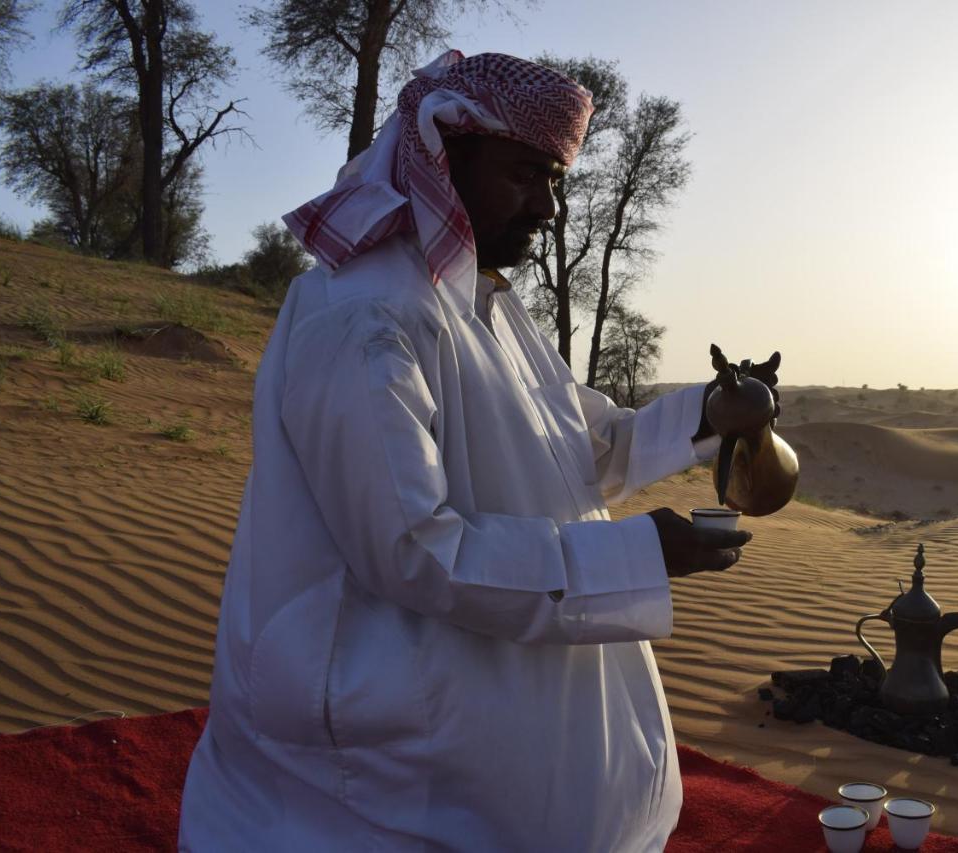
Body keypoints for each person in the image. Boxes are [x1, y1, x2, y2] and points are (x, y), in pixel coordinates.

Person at [178, 50, 778, 852]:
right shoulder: (365, 319)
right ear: (447, 156)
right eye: (527, 174)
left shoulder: (476, 300)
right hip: (375, 774)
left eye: (556, 179)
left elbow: (578, 447)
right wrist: (638, 552)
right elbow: (416, 548)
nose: (550, 207)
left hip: (500, 724)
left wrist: (711, 412)